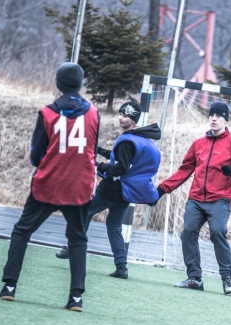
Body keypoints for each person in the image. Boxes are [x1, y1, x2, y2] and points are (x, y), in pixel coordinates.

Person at [0, 62, 99, 312]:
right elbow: (92, 151)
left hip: (49, 183)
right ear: (80, 84)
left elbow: (36, 155)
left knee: (22, 231)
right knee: (78, 239)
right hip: (78, 186)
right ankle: (76, 297)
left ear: (58, 84)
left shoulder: (47, 113)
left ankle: (9, 286)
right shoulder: (94, 114)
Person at [154, 101, 231, 294]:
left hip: (220, 200)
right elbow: (184, 171)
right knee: (188, 232)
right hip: (196, 200)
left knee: (218, 231)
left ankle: (227, 279)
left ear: (225, 120)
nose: (214, 119)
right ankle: (194, 278)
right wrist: (162, 189)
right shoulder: (198, 144)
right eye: (212, 115)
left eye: (219, 116)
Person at [55, 101, 162, 280]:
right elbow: (117, 157)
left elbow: (121, 168)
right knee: (113, 226)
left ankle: (73, 248)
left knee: (84, 212)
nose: (121, 118)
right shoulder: (139, 138)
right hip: (125, 192)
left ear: (134, 119)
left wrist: (97, 166)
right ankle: (121, 267)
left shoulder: (128, 141)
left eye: (125, 115)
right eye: (120, 114)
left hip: (112, 189)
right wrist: (96, 150)